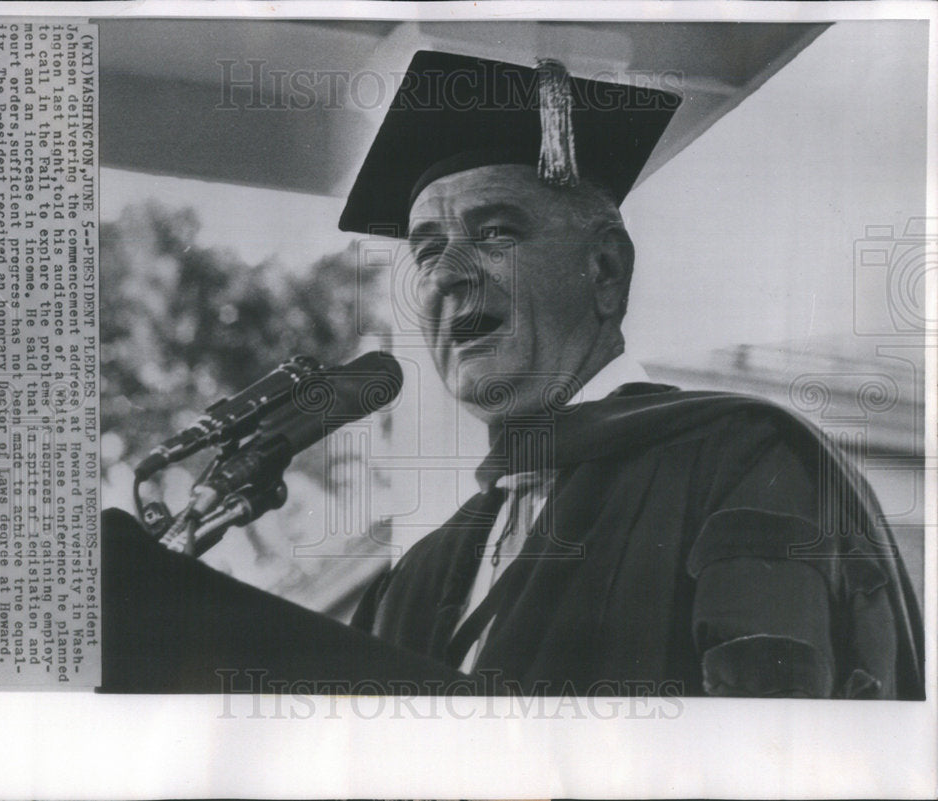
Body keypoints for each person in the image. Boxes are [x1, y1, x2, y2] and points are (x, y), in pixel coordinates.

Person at [337, 51, 925, 698]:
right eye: (425, 252)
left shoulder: (745, 462)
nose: (446, 274)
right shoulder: (417, 577)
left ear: (606, 271)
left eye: (496, 232)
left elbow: (776, 754)